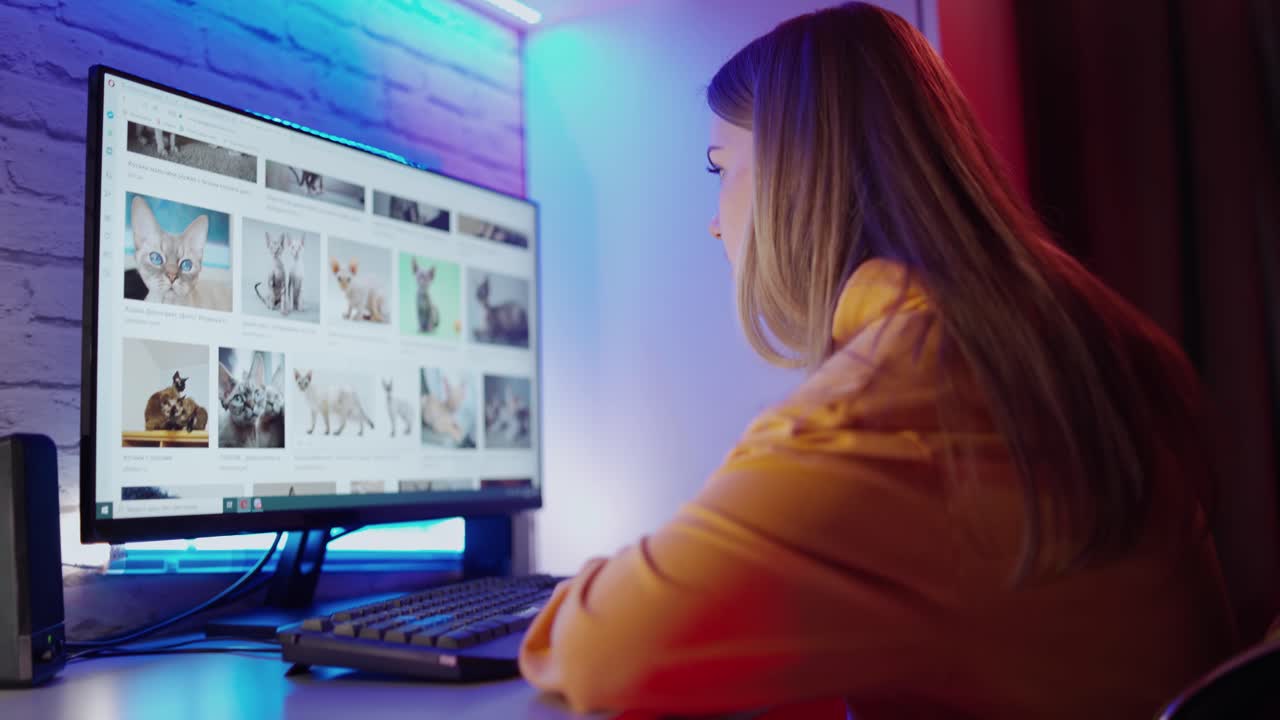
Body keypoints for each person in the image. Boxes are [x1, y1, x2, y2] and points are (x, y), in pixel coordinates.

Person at [518, 4, 1239, 718]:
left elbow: (601, 649)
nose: (714, 221)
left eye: (721, 169)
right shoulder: (1044, 343)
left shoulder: (904, 400)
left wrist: (563, 592)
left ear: (794, 174)